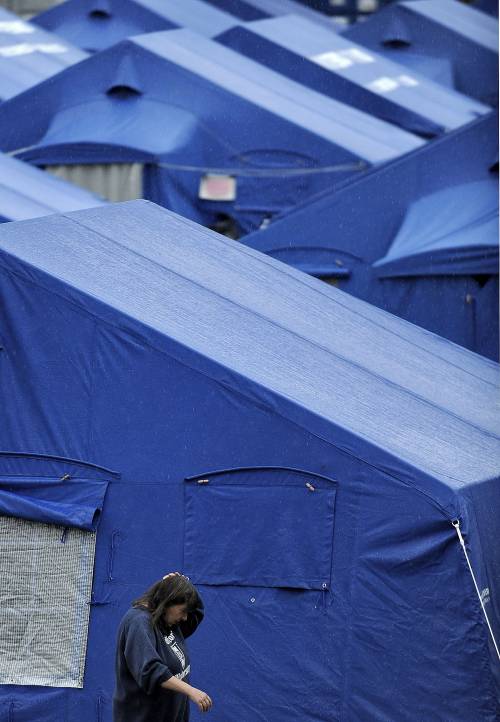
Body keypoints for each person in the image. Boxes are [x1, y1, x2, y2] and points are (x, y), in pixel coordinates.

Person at [113, 572, 212, 722]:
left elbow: (197, 613)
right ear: (168, 602)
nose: (185, 618)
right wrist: (191, 691)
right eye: (183, 611)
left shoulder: (167, 621)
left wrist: (185, 585)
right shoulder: (138, 623)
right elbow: (150, 670)